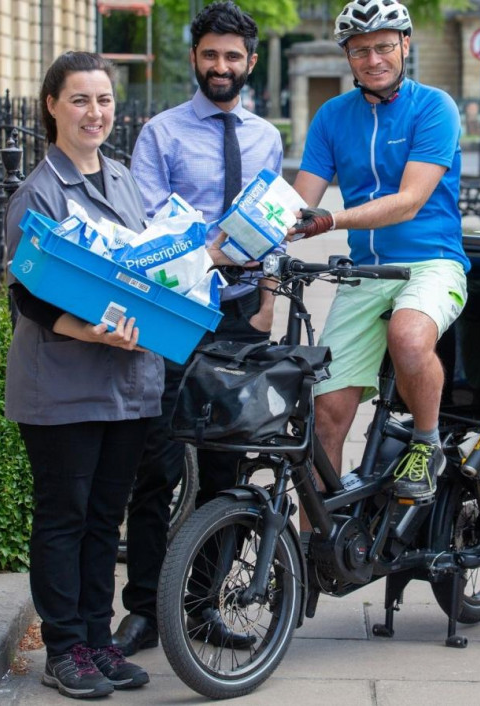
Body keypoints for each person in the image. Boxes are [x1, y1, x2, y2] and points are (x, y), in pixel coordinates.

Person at [111, 0, 283, 656]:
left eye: (232, 57)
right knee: (155, 466)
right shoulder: (161, 132)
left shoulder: (266, 136)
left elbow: (271, 225)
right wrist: (209, 249)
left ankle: (203, 606)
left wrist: (265, 297)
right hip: (175, 314)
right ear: (195, 59)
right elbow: (154, 228)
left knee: (227, 468)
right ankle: (145, 612)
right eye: (210, 55)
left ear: (250, 63)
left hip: (239, 315)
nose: (221, 67)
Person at [4, 52, 156, 698]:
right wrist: (92, 330)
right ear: (52, 106)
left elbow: (146, 261)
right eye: (79, 100)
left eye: (103, 100)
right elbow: (30, 295)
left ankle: (97, 641)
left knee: (105, 519)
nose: (95, 113)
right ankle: (63, 648)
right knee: (64, 517)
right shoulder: (37, 191)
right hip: (64, 385)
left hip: (126, 385)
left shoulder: (123, 180)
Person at [290, 0, 468, 507]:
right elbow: (300, 202)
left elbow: (410, 201)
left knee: (408, 338)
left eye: (384, 46)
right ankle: (311, 554)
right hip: (365, 273)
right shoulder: (332, 117)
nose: (373, 59)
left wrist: (331, 219)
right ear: (347, 55)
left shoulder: (434, 107)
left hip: (432, 262)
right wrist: (248, 238)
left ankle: (426, 443)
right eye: (360, 49)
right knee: (324, 413)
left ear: (404, 46)